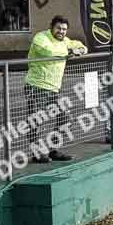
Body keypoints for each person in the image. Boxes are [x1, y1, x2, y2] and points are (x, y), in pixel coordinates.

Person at [24, 16, 87, 163]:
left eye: (64, 29)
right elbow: (48, 52)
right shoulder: (41, 38)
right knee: (36, 121)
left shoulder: (65, 41)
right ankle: (38, 153)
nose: (61, 31)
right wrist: (68, 53)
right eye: (58, 28)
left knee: (65, 117)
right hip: (36, 86)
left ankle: (53, 149)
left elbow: (81, 45)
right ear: (51, 27)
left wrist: (80, 50)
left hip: (54, 88)